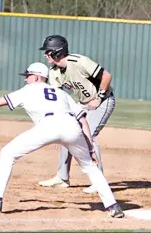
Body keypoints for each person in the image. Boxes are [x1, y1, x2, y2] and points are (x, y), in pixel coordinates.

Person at [0, 62, 124, 218]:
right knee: (90, 166)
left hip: (48, 126)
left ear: (36, 77)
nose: (25, 79)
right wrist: (90, 148)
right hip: (72, 127)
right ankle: (113, 206)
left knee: (7, 153)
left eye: (27, 76)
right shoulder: (61, 94)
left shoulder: (28, 90)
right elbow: (82, 120)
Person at [38, 35, 116, 194]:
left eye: (48, 52)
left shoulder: (79, 61)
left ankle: (99, 181)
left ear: (58, 52)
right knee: (68, 133)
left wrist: (98, 98)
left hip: (103, 101)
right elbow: (58, 95)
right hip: (82, 103)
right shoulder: (54, 72)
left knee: (90, 137)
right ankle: (62, 177)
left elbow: (107, 76)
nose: (46, 55)